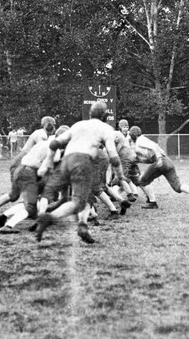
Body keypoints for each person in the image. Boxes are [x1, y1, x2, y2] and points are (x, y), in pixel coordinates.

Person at [34, 102, 126, 244]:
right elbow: (114, 157)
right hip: (83, 161)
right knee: (78, 201)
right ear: (105, 116)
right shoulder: (106, 128)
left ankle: (82, 226)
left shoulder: (78, 125)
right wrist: (120, 177)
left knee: (83, 197)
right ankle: (49, 218)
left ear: (90, 114)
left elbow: (54, 144)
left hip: (66, 160)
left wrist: (48, 162)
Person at [0, 125, 70, 234]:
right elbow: (45, 169)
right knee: (31, 207)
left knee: (29, 202)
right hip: (29, 173)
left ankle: (3, 216)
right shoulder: (55, 150)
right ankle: (8, 226)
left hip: (20, 170)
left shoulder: (43, 143)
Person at [0, 116, 56, 220]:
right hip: (23, 163)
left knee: (14, 195)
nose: (53, 127)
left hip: (23, 162)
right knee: (38, 185)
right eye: (53, 124)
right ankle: (30, 207)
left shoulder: (42, 133)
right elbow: (41, 152)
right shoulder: (42, 135)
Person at [128, 126, 189, 210]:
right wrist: (141, 160)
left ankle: (152, 202)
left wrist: (159, 159)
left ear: (133, 135)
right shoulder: (142, 141)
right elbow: (151, 159)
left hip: (161, 161)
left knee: (143, 181)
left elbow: (155, 146)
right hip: (167, 161)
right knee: (177, 186)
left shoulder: (140, 141)